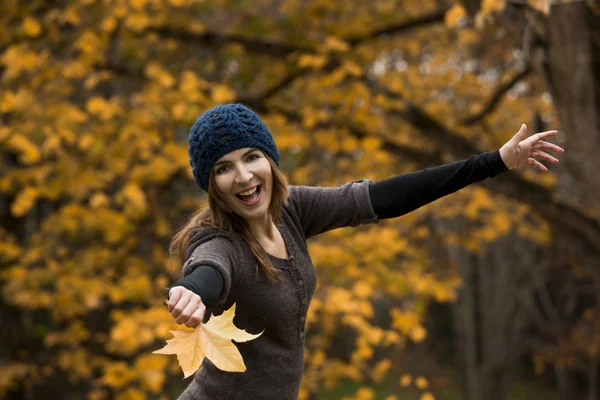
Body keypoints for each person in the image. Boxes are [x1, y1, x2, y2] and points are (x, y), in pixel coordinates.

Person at [165, 103, 563, 399]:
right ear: (212, 184)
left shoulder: (291, 211)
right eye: (224, 167)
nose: (244, 176)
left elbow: (385, 197)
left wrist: (493, 162)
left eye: (251, 157)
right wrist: (192, 290)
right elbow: (208, 269)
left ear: (269, 160)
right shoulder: (220, 242)